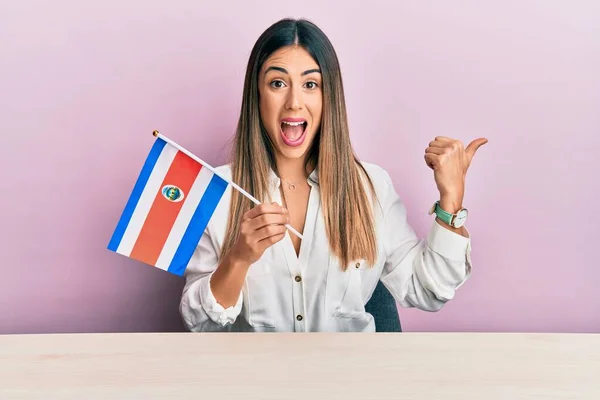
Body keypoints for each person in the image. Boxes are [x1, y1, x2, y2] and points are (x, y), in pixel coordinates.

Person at [179, 18, 487, 332]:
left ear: (329, 98)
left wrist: (451, 200)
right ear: (257, 96)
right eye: (277, 83)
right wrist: (238, 258)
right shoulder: (217, 192)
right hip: (255, 377)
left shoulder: (371, 188)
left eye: (310, 85)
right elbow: (201, 325)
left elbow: (427, 289)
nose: (294, 102)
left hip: (350, 377)